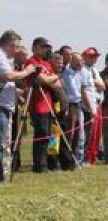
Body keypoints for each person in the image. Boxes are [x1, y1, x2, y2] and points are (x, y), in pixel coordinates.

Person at [0, 30, 38, 182]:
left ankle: (4, 174)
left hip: (6, 106)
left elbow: (5, 81)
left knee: (5, 142)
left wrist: (19, 92)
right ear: (8, 45)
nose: (16, 50)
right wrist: (28, 71)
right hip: (1, 107)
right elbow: (8, 76)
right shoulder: (1, 57)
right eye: (15, 47)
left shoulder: (6, 60)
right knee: (2, 143)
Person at [25, 37, 61, 174]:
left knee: (49, 135)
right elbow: (40, 79)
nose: (45, 49)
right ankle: (39, 165)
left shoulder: (46, 64)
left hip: (49, 103)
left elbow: (57, 83)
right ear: (34, 47)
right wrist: (53, 78)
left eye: (46, 47)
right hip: (38, 103)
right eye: (42, 46)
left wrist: (51, 79)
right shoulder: (31, 62)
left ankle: (46, 162)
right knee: (41, 134)